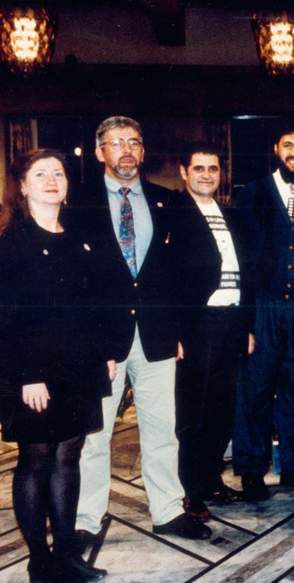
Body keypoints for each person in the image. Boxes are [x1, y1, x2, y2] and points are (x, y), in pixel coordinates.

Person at [67, 116, 210, 543]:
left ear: (143, 152)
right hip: (100, 342)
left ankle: (168, 511)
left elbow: (203, 263)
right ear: (100, 152)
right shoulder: (77, 202)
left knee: (162, 430)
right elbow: (69, 277)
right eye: (116, 143)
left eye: (133, 142)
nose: (126, 150)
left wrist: (180, 324)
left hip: (158, 337)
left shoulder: (169, 202)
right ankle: (85, 519)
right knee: (95, 436)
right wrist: (86, 337)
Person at [0, 149, 115, 583]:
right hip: (32, 370)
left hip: (79, 366)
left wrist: (106, 353)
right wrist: (28, 376)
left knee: (68, 455)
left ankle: (66, 554)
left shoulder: (78, 237)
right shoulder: (12, 242)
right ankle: (40, 560)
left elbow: (94, 304)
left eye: (58, 173)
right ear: (22, 186)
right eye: (40, 174)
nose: (52, 180)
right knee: (37, 458)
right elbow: (6, 319)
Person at [232, 120, 294, 500]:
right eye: (288, 144)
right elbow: (242, 257)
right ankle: (251, 470)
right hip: (263, 306)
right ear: (276, 149)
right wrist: (246, 315)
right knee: (255, 389)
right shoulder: (253, 193)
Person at [173, 142, 255, 519]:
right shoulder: (173, 214)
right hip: (197, 325)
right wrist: (174, 332)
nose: (206, 175)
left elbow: (247, 274)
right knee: (193, 409)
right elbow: (166, 278)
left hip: (231, 321)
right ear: (184, 172)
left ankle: (209, 480)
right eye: (199, 168)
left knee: (222, 408)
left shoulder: (232, 216)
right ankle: (189, 491)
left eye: (213, 169)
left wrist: (247, 326)